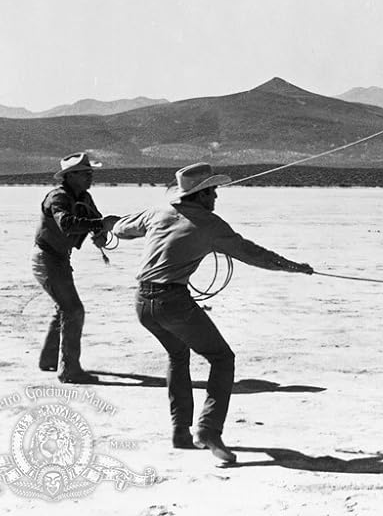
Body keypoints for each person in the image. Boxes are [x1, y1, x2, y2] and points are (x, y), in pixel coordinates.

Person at [112, 162, 314, 464]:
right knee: (222, 359)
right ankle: (208, 430)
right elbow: (253, 254)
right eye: (213, 191)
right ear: (202, 194)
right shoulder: (211, 225)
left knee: (178, 355)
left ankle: (181, 431)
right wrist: (294, 267)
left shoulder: (158, 213)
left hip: (142, 303)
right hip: (173, 302)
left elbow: (120, 228)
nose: (216, 197)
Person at [32, 152, 120, 384]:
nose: (90, 177)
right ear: (70, 176)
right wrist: (100, 225)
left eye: (90, 173)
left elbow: (96, 221)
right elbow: (67, 224)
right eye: (85, 173)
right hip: (46, 259)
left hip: (58, 259)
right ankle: (69, 370)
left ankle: (49, 359)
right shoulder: (58, 197)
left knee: (65, 308)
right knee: (73, 310)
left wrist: (100, 233)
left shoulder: (84, 197)